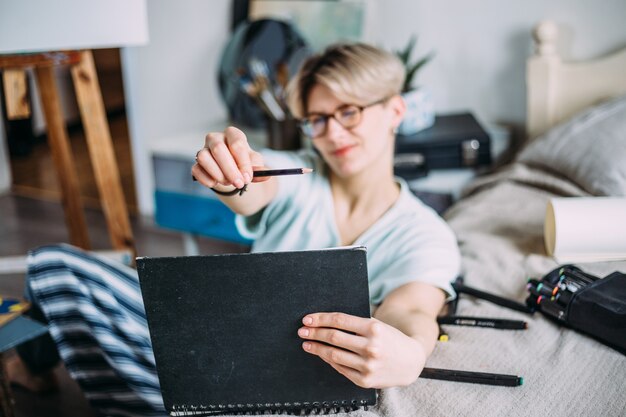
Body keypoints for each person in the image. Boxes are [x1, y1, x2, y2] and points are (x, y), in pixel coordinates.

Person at [9, 42, 460, 416]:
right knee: (55, 266)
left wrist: (411, 354)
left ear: (395, 110)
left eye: (349, 112)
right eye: (317, 119)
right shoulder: (300, 176)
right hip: (218, 341)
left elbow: (414, 313)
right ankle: (41, 364)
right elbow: (256, 182)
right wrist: (233, 170)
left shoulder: (426, 233)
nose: (333, 134)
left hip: (285, 380)